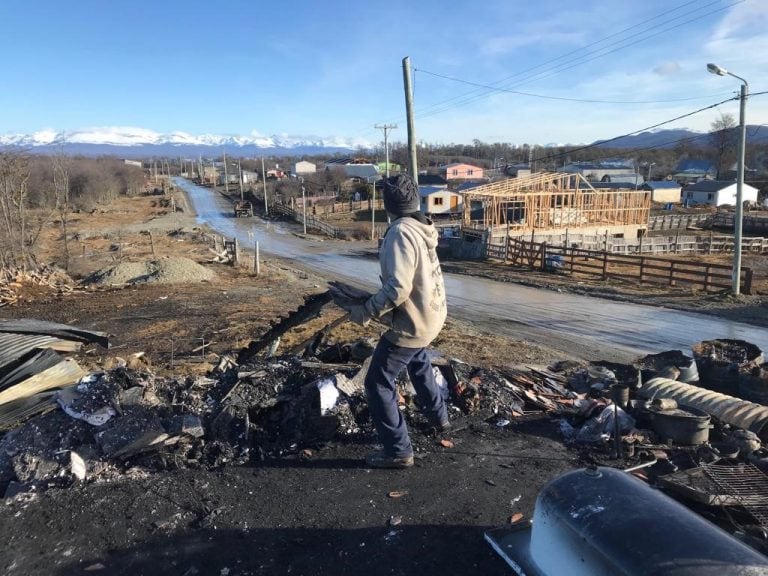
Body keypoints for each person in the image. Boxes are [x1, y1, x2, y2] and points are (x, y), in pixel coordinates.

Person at [345, 173, 449, 469]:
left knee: (377, 382)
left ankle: (398, 450)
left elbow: (397, 289)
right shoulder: (422, 225)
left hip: (414, 322)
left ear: (387, 204)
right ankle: (440, 419)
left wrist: (366, 311)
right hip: (432, 314)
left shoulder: (400, 232)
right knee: (418, 362)